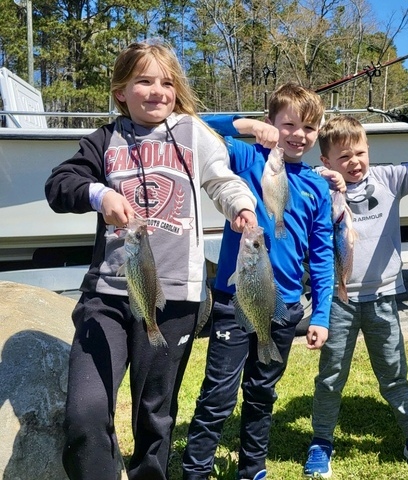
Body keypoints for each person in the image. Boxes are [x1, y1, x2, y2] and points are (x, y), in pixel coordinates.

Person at [44, 40, 258, 480]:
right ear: (121, 90)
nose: (158, 90)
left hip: (175, 300)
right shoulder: (104, 140)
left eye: (167, 82)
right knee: (85, 415)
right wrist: (100, 194)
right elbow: (59, 185)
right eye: (144, 80)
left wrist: (241, 206)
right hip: (106, 297)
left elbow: (222, 179)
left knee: (154, 415)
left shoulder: (194, 133)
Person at [181, 83, 334, 480]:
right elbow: (192, 127)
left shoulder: (317, 184)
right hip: (235, 302)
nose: (299, 135)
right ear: (271, 124)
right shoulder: (249, 157)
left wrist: (320, 314)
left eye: (310, 128)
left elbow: (321, 256)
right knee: (217, 393)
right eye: (289, 124)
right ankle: (196, 469)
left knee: (262, 392)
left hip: (283, 307)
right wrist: (246, 125)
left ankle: (252, 469)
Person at [302, 115, 408, 478]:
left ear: (369, 150)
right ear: (326, 161)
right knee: (330, 378)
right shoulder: (321, 188)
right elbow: (295, 193)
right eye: (343, 158)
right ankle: (321, 441)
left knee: (394, 374)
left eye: (360, 153)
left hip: (383, 298)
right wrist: (323, 181)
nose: (354, 162)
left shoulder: (387, 178)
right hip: (337, 301)